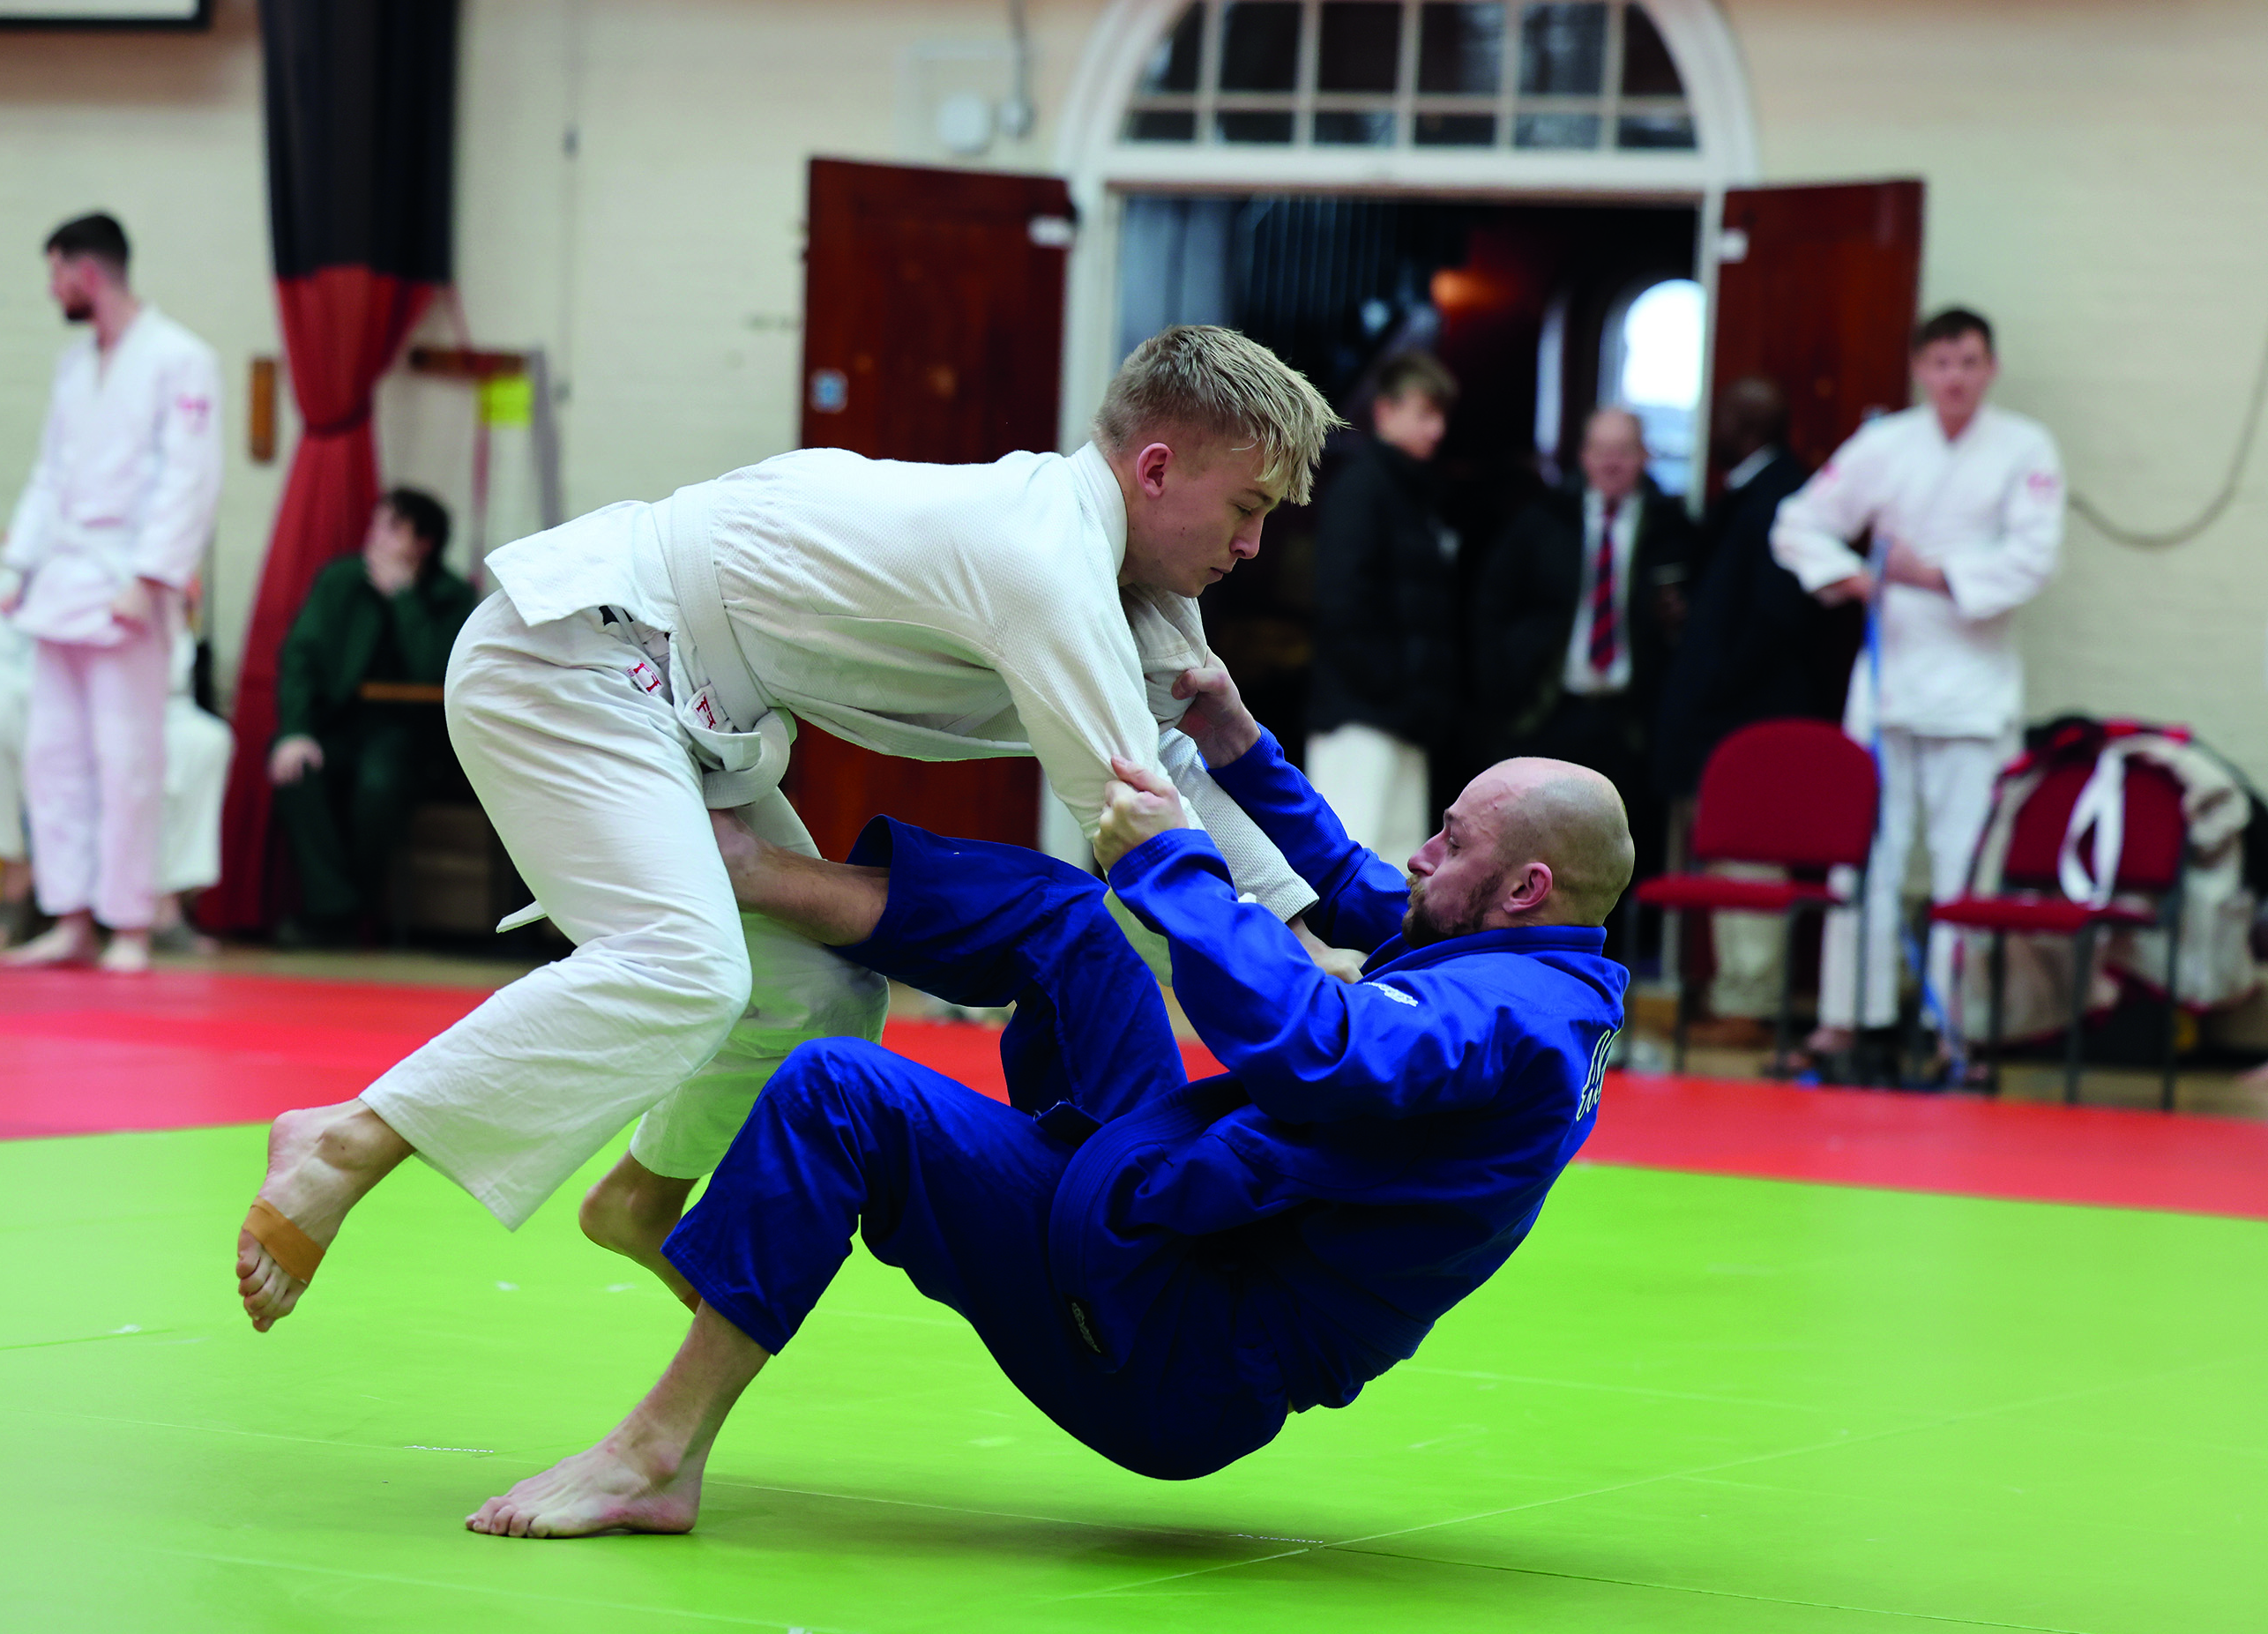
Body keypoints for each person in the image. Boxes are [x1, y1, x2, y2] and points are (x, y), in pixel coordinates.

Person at [233, 325, 1347, 1334]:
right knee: (684, 964)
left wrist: (1307, 945)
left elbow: (1180, 766)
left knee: (825, 991)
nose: (1253, 548)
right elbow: (1136, 833)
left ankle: (643, 1195)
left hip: (690, 704)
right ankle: (346, 1141)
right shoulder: (1044, 560)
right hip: (572, 657)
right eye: (1248, 509)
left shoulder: (1133, 582)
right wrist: (1301, 1039)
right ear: (1155, 471)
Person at [460, 661, 1633, 1537]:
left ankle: (659, 1454)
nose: (1419, 856)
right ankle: (762, 873)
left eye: (1448, 838)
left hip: (1176, 1348)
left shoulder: (1505, 1029)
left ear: (1526, 885)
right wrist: (1233, 740)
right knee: (1069, 923)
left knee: (838, 1091)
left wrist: (1173, 862)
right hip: (1178, 1224)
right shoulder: (1527, 958)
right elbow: (1357, 889)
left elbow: (1313, 1041)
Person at [1771, 308, 2063, 1056]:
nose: (1954, 377)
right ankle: (1845, 1015)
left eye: (1968, 362)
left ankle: (1949, 1025)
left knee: (1964, 858)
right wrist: (1850, 578)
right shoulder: (1884, 443)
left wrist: (1925, 574)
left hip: (1973, 686)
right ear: (1919, 369)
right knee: (1865, 852)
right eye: (1940, 363)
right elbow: (1797, 522)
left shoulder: (2025, 447)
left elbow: (2031, 559)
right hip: (1889, 682)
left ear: (1989, 368)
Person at [0, 213, 222, 975]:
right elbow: (49, 475)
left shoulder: (180, 358)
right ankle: (70, 918)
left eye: (55, 273)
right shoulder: (73, 367)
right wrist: (16, 568)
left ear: (85, 274)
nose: (51, 289)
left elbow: (188, 475)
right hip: (62, 580)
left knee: (127, 757)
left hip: (128, 583)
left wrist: (149, 574)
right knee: (51, 755)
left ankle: (128, 923)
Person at [1472, 406, 1692, 918]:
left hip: (1632, 723)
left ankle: (1619, 973)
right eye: (1602, 452)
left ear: (1644, 457)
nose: (1612, 463)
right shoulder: (1543, 519)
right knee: (1538, 851)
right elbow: (1491, 606)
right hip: (1549, 713)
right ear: (1584, 457)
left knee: (1625, 857)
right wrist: (1502, 687)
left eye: (1624, 452)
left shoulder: (1673, 526)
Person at [1650, 377, 1814, 1035]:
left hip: (1748, 716)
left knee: (1747, 858)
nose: (1708, 429)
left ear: (1746, 427)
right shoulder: (1751, 490)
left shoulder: (1776, 493)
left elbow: (1773, 616)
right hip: (1729, 711)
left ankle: (1748, 1001)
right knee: (1729, 858)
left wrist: (1715, 678)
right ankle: (1734, 993)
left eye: (1719, 417)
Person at [0, 565, 233, 951]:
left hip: (131, 709)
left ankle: (162, 900)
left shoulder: (144, 580)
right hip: (39, 705)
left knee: (205, 741)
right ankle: (16, 881)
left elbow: (174, 676)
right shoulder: (13, 582)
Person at [268, 488, 477, 944]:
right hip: (340, 725)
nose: (373, 539)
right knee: (297, 771)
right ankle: (336, 909)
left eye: (391, 529)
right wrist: (296, 730)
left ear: (423, 544)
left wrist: (404, 600)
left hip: (411, 734)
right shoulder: (339, 581)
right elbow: (301, 658)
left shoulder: (452, 597)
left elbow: (438, 675)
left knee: (379, 782)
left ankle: (341, 914)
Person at [1305, 349, 1459, 863]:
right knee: (1347, 867)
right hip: (1359, 715)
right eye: (1423, 413)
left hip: (1404, 717)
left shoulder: (1418, 496)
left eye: (1440, 415)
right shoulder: (1361, 489)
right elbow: (1341, 604)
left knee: (1397, 872)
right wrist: (1395, 688)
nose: (1436, 429)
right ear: (1385, 412)